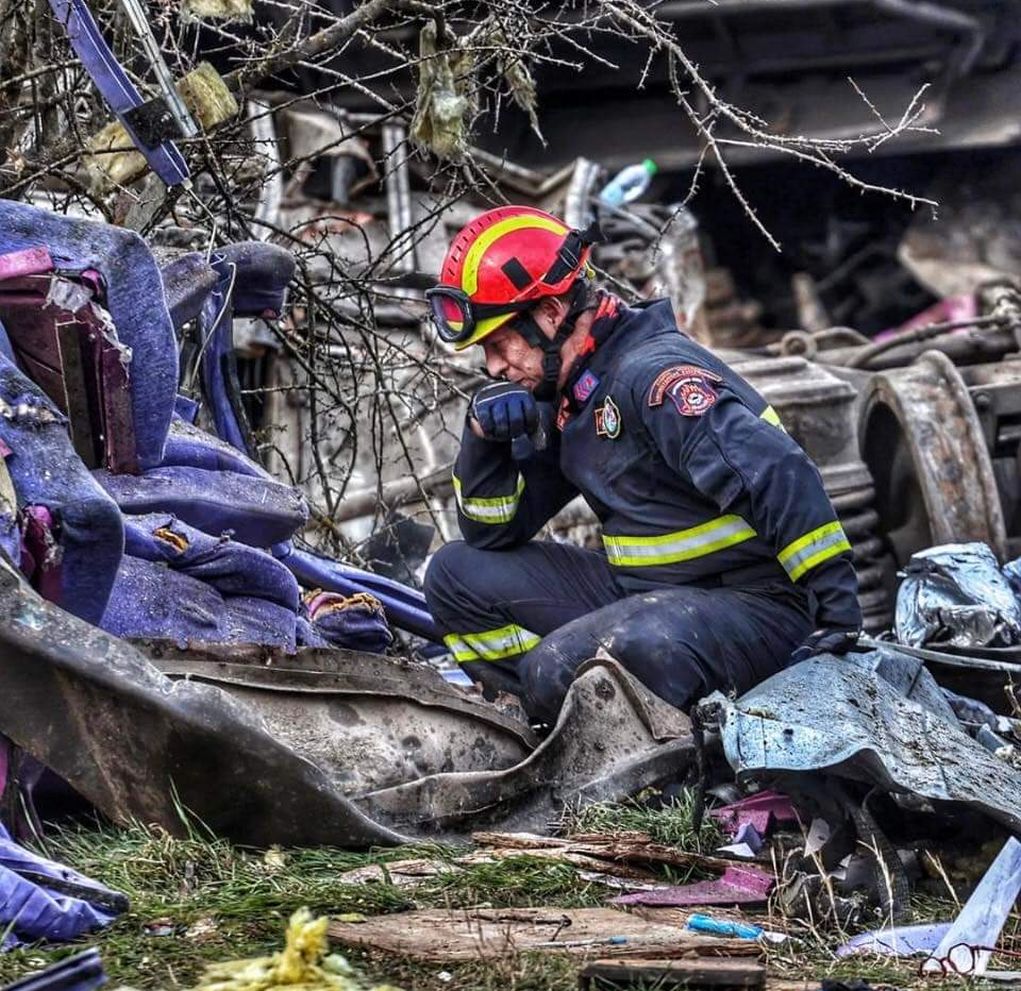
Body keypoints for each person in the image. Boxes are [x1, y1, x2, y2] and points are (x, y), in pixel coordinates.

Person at [423, 205, 861, 725]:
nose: (493, 365)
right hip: (647, 595)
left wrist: (836, 615)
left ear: (550, 313)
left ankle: (660, 747)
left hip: (757, 607)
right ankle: (547, 724)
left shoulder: (653, 378)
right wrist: (484, 441)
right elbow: (491, 533)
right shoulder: (575, 392)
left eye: (499, 343)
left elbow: (778, 472)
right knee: (453, 574)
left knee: (562, 666)